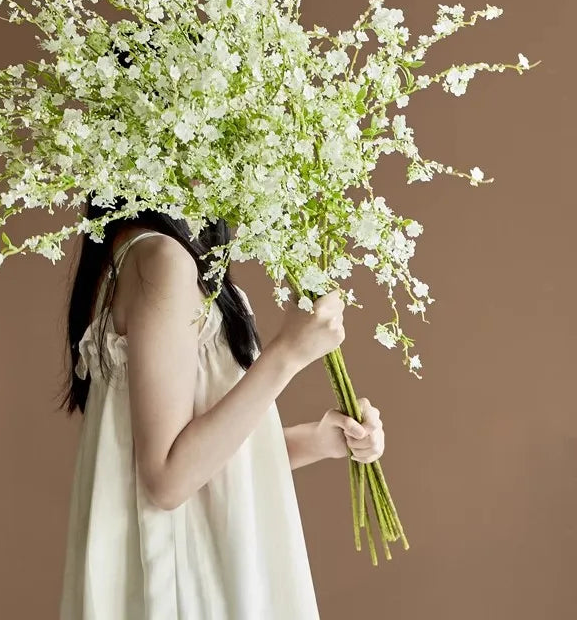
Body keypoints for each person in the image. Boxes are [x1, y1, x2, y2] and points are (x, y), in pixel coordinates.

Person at [57, 199, 385, 619]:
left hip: (194, 563)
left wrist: (318, 441)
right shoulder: (162, 260)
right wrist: (286, 355)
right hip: (190, 579)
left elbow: (198, 456)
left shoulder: (139, 250)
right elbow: (167, 479)